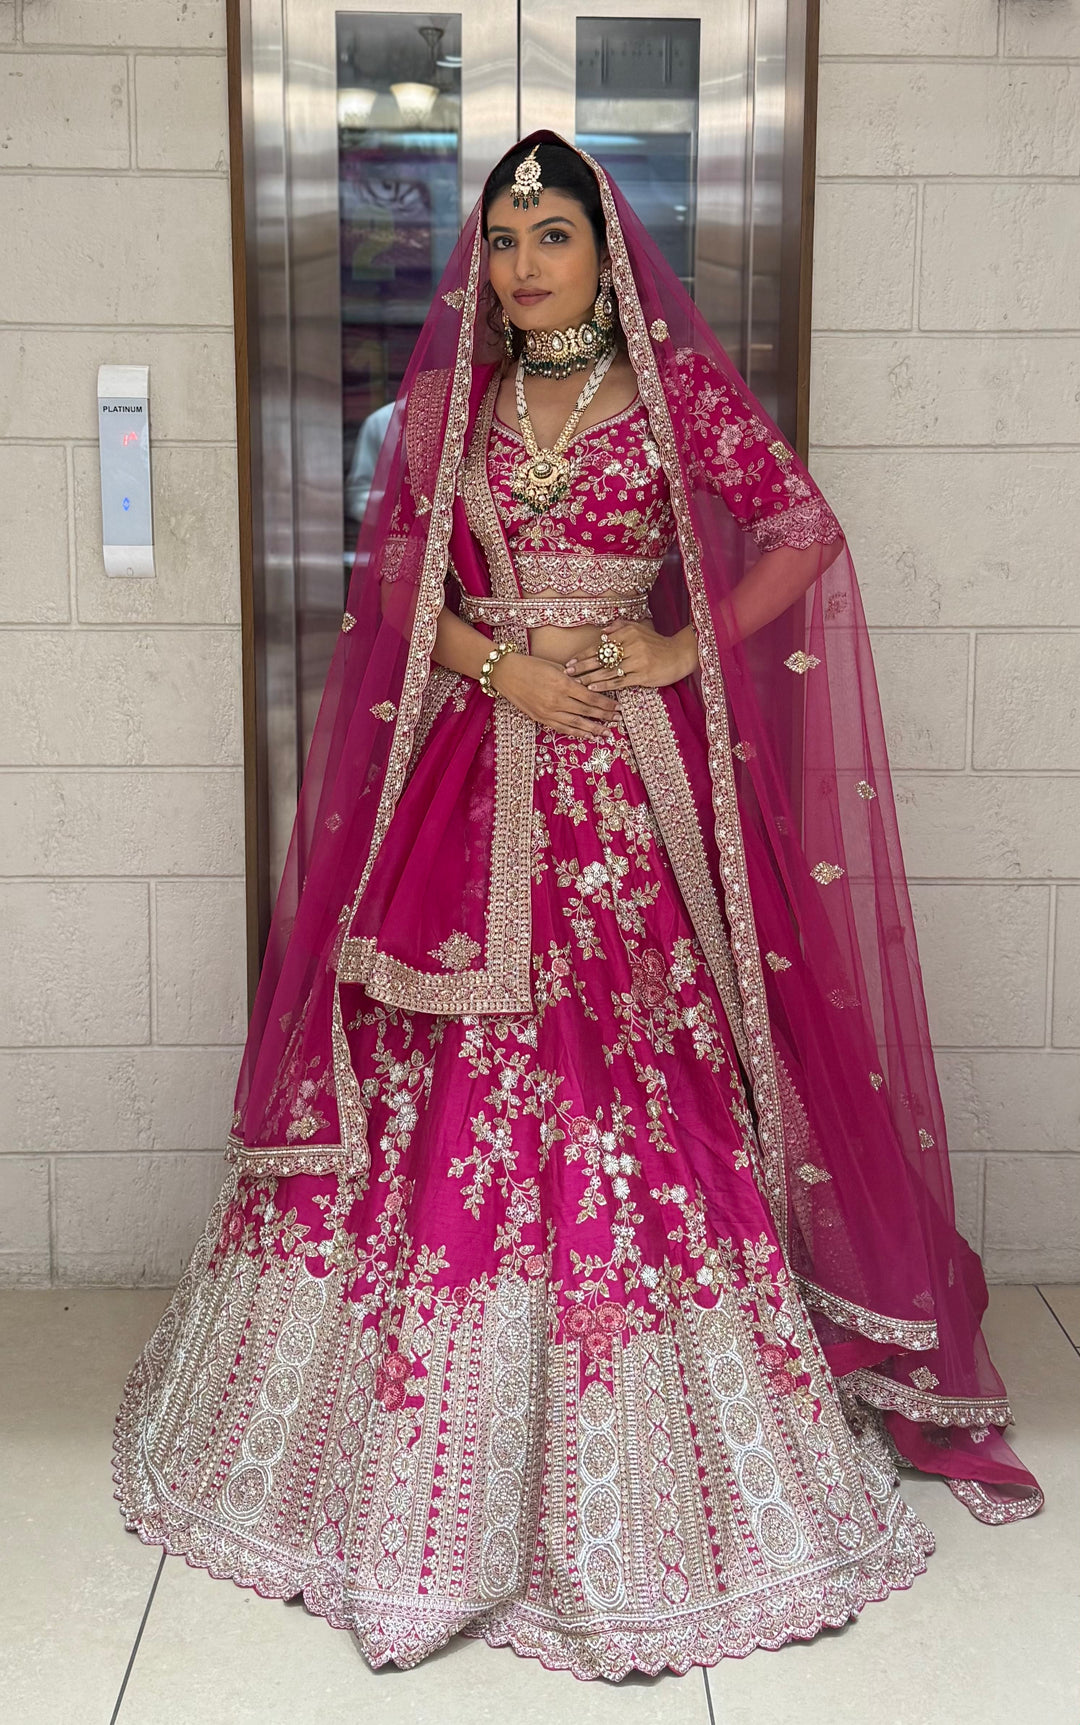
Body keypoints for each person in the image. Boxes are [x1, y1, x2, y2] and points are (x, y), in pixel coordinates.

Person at [114, 134, 1041, 1682]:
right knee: (444, 1076)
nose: (525, 263)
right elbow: (403, 587)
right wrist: (499, 662)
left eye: (553, 234)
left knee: (629, 1074)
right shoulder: (451, 412)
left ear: (610, 253)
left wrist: (679, 653)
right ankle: (407, 1462)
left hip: (628, 791)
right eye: (502, 239)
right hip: (480, 768)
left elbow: (803, 531)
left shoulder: (678, 408)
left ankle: (659, 1451)